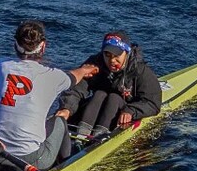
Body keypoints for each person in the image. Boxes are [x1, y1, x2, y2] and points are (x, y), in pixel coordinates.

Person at [0, 20, 98, 171]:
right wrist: (84, 70)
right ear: (43, 46)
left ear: (15, 45)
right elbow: (73, 77)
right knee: (58, 120)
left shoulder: (0, 66)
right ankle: (66, 164)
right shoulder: (52, 76)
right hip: (28, 163)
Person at [57, 30, 162, 161]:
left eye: (117, 55)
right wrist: (66, 108)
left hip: (121, 111)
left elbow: (153, 103)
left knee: (114, 98)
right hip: (96, 109)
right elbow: (76, 88)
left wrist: (131, 111)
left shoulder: (140, 71)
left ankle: (99, 138)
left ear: (126, 52)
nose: (112, 60)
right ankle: (80, 138)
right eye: (107, 55)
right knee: (99, 94)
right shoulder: (95, 63)